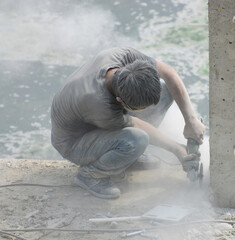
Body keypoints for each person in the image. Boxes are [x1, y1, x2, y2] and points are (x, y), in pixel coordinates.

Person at [51, 47, 205, 199]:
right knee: (136, 140)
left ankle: (127, 157)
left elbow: (169, 73)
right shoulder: (99, 105)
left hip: (93, 117)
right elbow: (136, 125)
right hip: (75, 142)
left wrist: (190, 120)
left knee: (166, 91)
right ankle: (91, 174)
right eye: (141, 108)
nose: (149, 111)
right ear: (120, 101)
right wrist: (177, 149)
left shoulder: (122, 55)